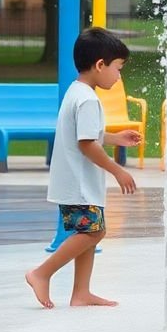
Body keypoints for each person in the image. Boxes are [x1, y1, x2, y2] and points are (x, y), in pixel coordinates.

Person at [25, 27, 141, 309]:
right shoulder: (88, 99)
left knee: (91, 231)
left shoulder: (77, 91)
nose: (118, 75)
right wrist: (117, 170)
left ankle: (81, 293)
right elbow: (87, 144)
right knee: (94, 233)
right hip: (78, 182)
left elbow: (88, 134)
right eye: (118, 68)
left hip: (76, 181)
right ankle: (41, 273)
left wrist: (115, 138)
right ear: (100, 65)